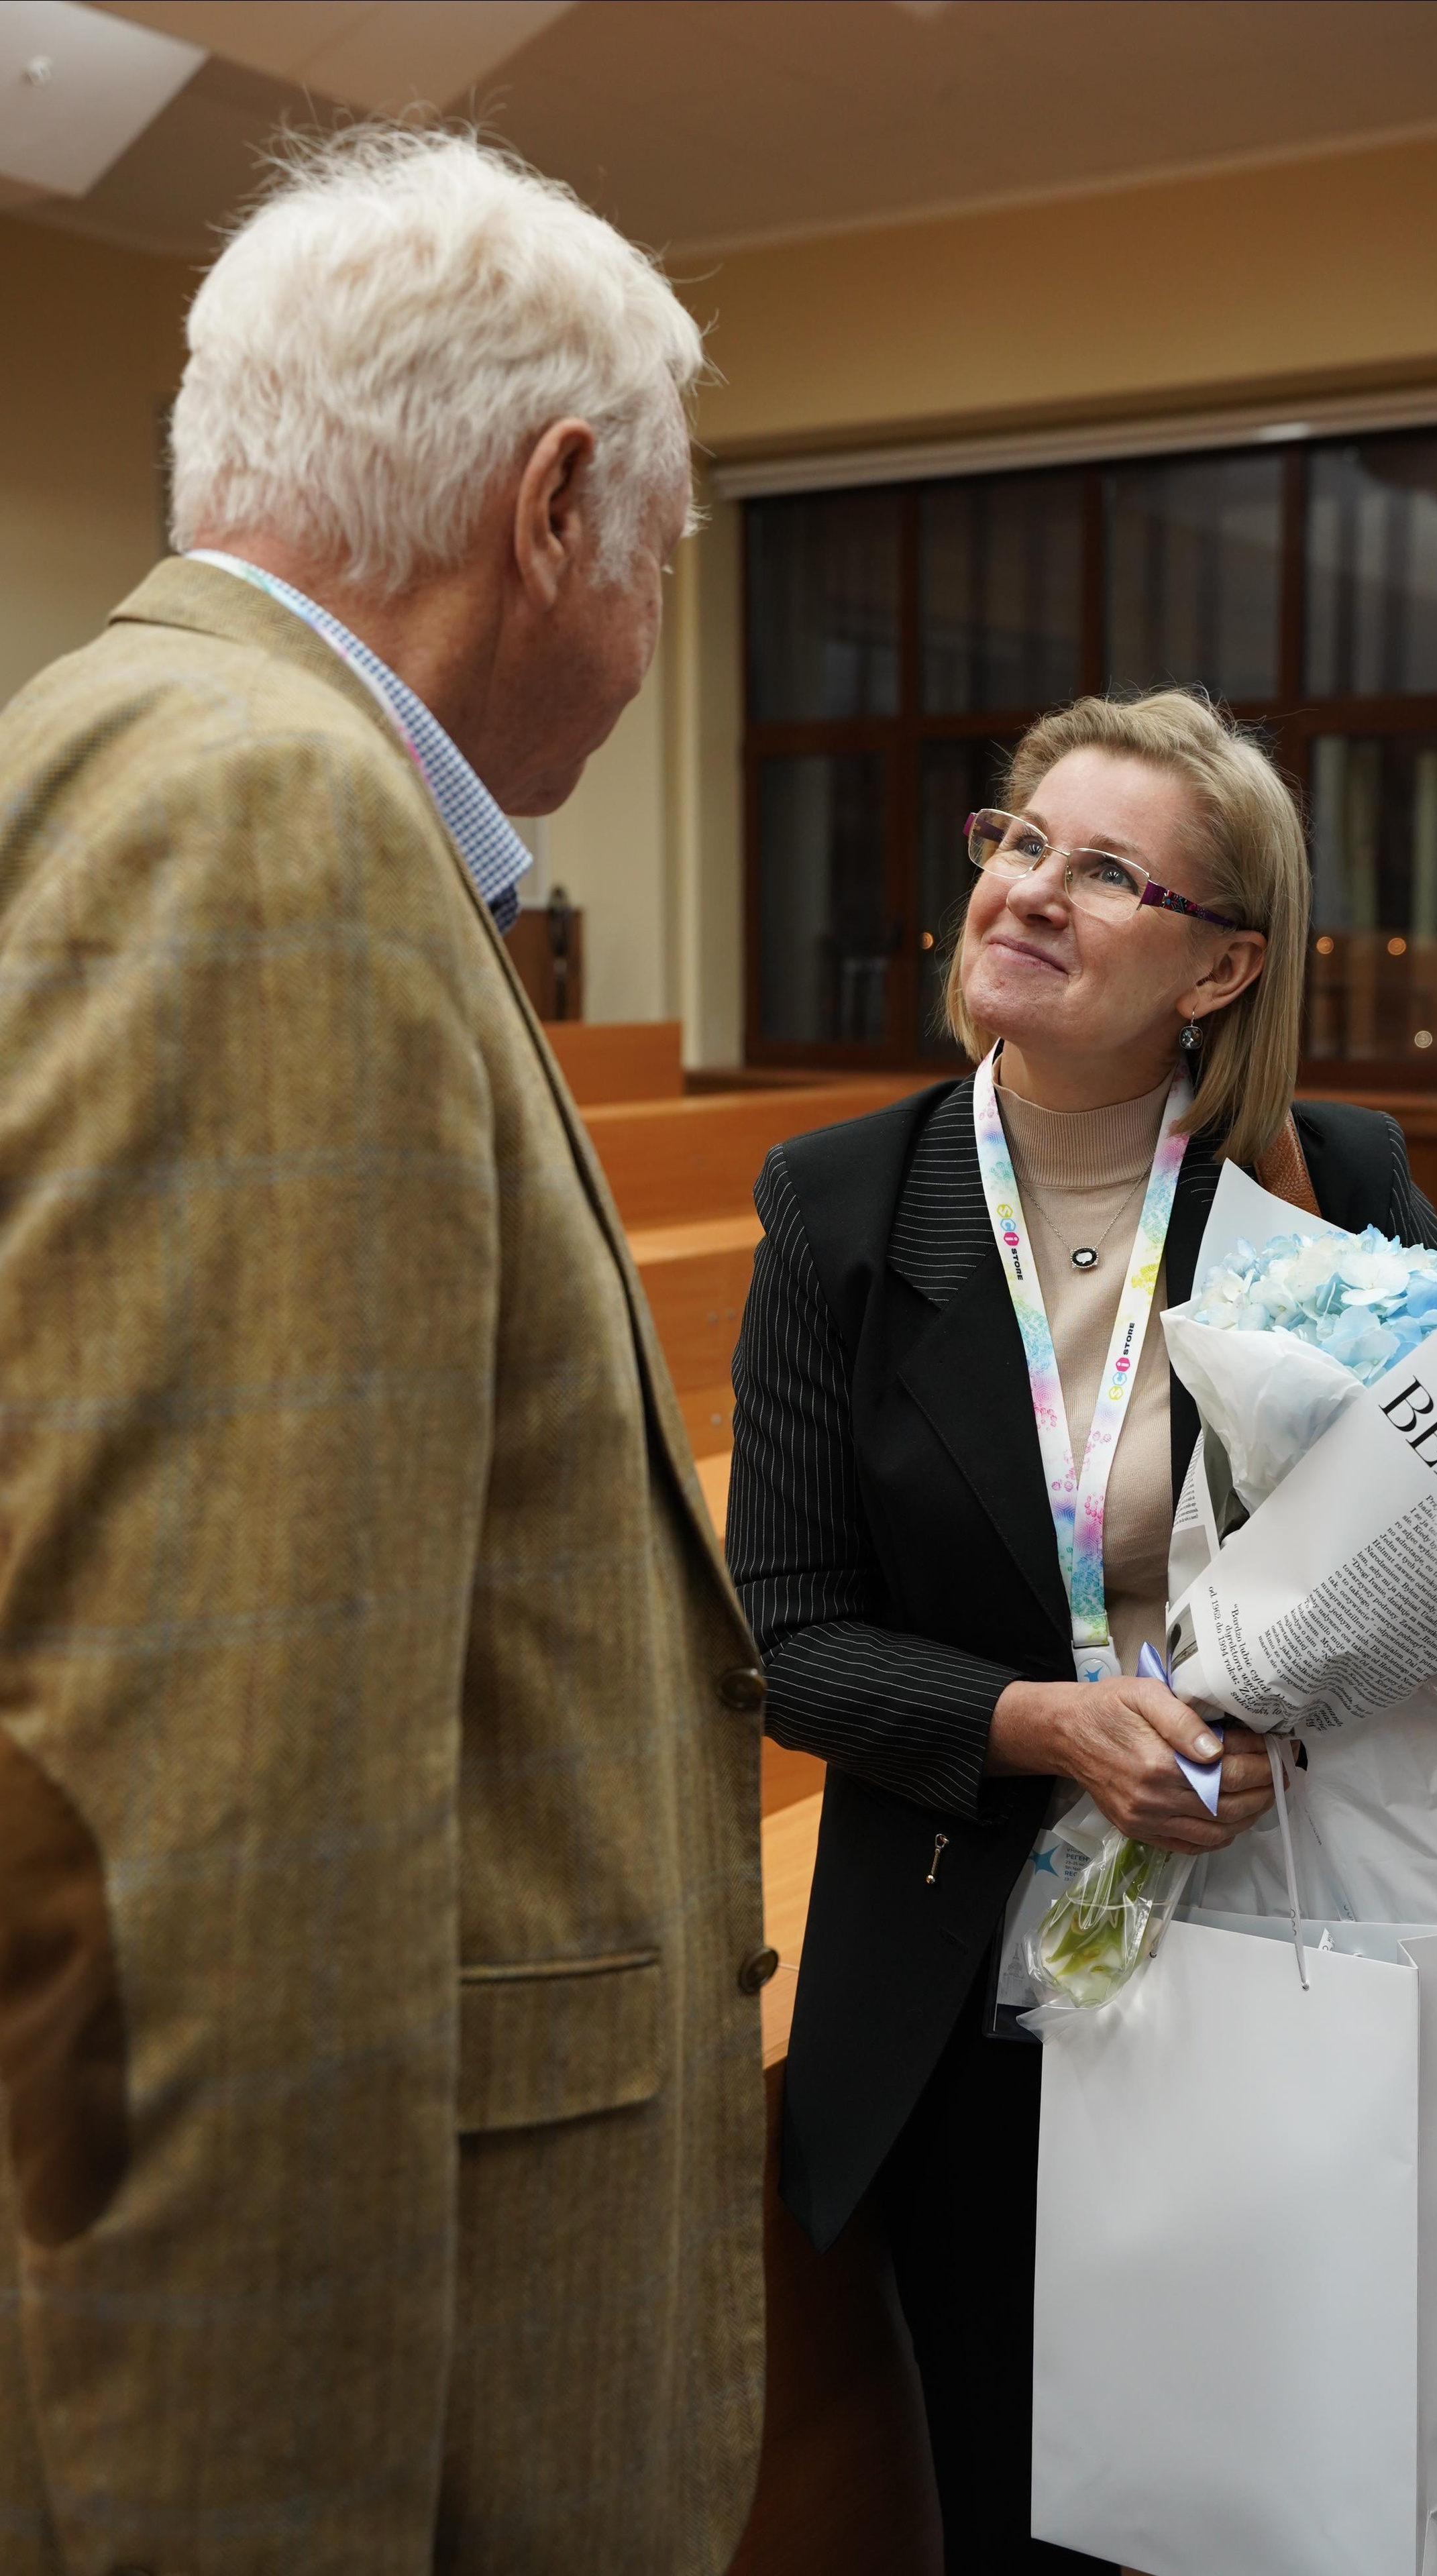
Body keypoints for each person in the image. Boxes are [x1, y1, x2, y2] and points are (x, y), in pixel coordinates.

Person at [0, 128, 767, 2575]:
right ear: (553, 508)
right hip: (377, 2418)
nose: (652, 626)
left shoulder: (150, 753)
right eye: (664, 552)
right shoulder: (267, 820)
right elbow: (227, 1832)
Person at [727, 688, 1437, 2572]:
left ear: (1220, 969)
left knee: (1296, 2475)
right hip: (975, 1960)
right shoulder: (841, 1209)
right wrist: (1053, 1722)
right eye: (1020, 843)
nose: (1031, 892)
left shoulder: (1335, 1190)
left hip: (1285, 1924)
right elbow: (783, 1637)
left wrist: (1302, 1718)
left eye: (1108, 871)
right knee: (1027, 2492)